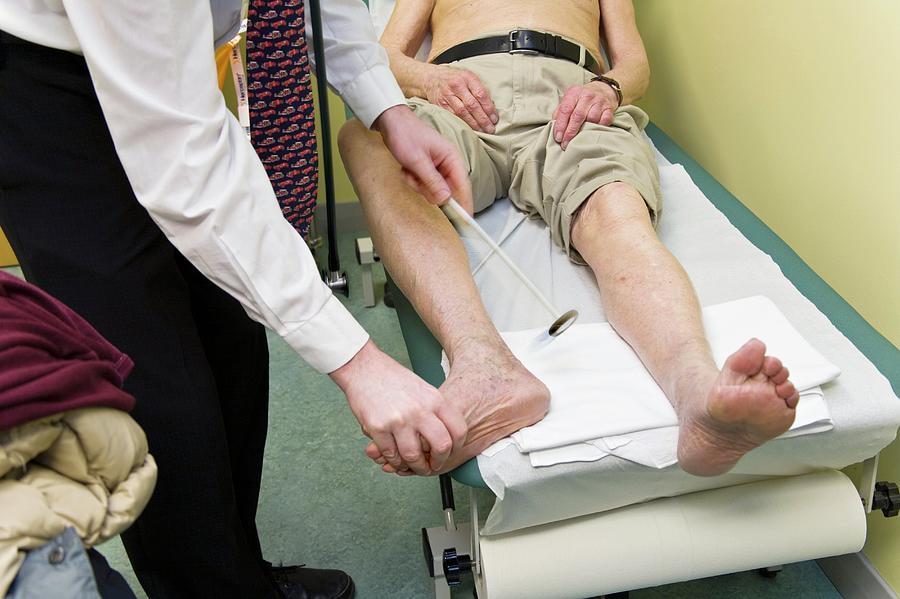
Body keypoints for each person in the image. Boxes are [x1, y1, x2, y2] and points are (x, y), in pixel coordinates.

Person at [0, 1, 472, 597]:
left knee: (232, 335)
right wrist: (358, 363)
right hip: (45, 92)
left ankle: (238, 571)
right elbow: (184, 168)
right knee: (156, 385)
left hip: (172, 65)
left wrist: (386, 107)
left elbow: (320, 4)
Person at [339, 0, 801, 479]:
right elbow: (384, 55)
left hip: (571, 102)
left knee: (616, 216)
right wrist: (429, 81)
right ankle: (485, 366)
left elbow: (634, 63)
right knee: (368, 141)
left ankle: (700, 398)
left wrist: (610, 87)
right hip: (458, 100)